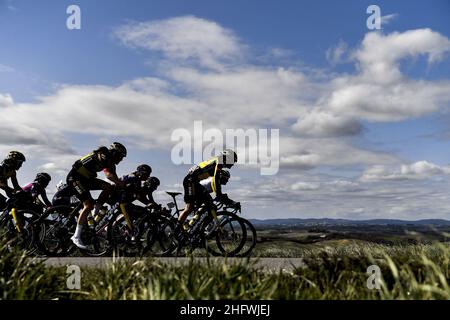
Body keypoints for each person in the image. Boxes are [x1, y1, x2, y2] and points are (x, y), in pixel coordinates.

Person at [68, 142, 127, 249]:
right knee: (88, 205)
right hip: (75, 179)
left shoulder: (111, 162)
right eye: (120, 156)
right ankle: (76, 236)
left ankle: (96, 209)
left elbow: (115, 178)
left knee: (108, 187)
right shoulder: (104, 155)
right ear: (114, 153)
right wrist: (120, 184)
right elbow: (109, 175)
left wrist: (120, 186)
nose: (121, 160)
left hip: (86, 180)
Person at [178, 149, 238, 228]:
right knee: (189, 207)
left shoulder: (217, 163)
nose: (232, 164)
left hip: (195, 182)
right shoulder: (218, 162)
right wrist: (220, 195)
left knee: (210, 204)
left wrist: (220, 195)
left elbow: (216, 183)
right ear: (227, 158)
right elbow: (215, 181)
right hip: (190, 181)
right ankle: (177, 228)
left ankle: (198, 228)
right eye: (232, 161)